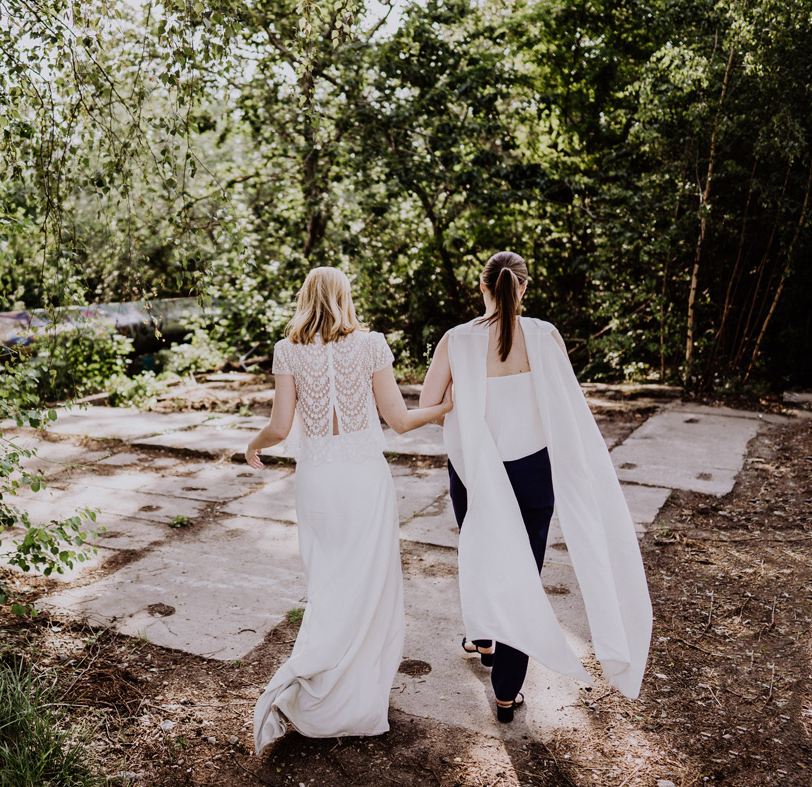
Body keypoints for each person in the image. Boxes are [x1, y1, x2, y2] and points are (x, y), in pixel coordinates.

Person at [419, 251, 653, 722]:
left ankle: (483, 638)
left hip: (475, 472)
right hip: (532, 472)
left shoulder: (456, 340)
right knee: (523, 572)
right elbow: (563, 407)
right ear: (523, 287)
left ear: (481, 286)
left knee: (483, 553)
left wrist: (463, 395)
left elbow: (429, 404)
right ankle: (506, 690)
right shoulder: (546, 336)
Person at [246, 267, 452, 754]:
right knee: (370, 583)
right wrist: (445, 407)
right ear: (344, 297)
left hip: (318, 479)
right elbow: (399, 420)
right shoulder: (372, 343)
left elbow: (278, 427)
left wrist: (252, 446)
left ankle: (321, 678)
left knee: (328, 582)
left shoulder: (287, 350)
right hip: (363, 477)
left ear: (305, 297)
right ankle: (355, 696)